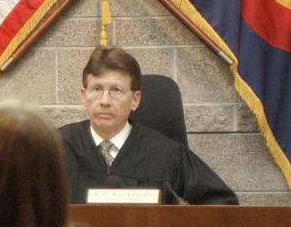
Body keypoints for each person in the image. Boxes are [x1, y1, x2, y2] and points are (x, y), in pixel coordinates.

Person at [60, 45, 238, 204]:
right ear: (84, 96)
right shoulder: (53, 149)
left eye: (116, 90)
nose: (105, 101)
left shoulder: (166, 155)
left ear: (135, 100)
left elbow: (222, 206)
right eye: (97, 89)